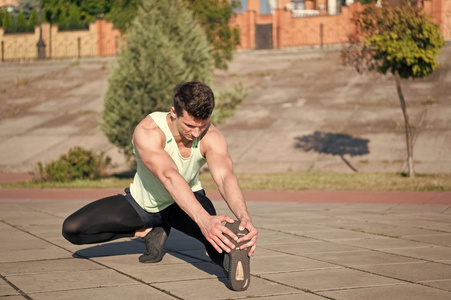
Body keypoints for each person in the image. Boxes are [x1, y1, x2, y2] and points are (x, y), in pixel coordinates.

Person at [62, 81, 258, 291]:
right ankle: (147, 231)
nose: (196, 133)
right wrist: (203, 220)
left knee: (218, 240)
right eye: (190, 126)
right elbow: (169, 176)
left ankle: (230, 262)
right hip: (144, 204)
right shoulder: (148, 130)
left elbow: (225, 177)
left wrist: (244, 218)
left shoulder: (212, 136)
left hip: (185, 202)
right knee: (73, 229)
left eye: (202, 125)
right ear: (173, 112)